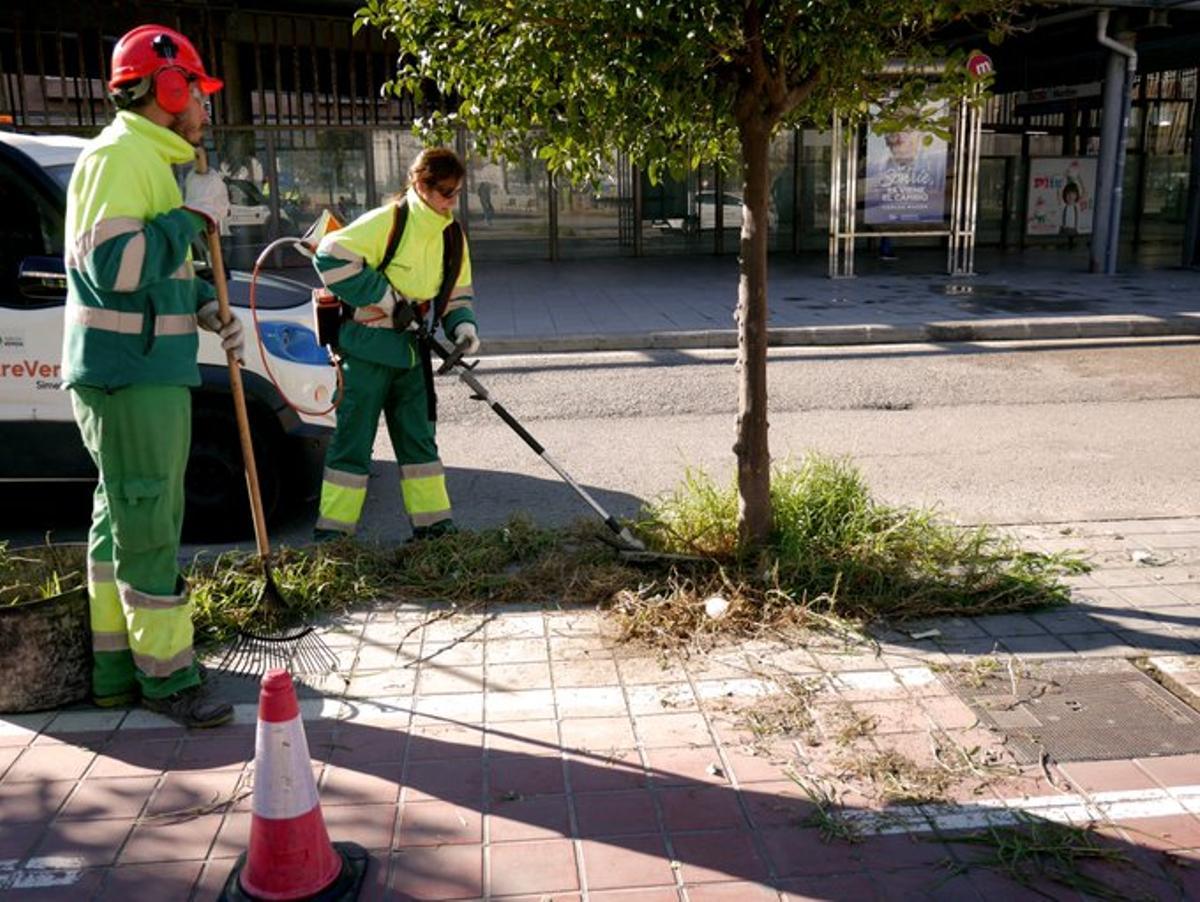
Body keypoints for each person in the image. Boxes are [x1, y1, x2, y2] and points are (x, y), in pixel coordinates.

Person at [63, 24, 242, 728]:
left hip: (135, 370)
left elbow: (152, 274)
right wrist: (190, 217)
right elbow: (115, 272)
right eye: (198, 91)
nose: (205, 106)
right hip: (130, 377)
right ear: (170, 88)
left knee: (121, 522)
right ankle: (168, 681)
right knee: (149, 525)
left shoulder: (146, 159)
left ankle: (117, 671)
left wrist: (204, 306)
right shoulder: (122, 156)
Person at [312, 147, 479, 541]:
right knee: (353, 442)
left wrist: (463, 327)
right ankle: (334, 538)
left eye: (457, 192)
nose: (452, 201)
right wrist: (386, 299)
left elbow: (457, 293)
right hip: (368, 349)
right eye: (445, 192)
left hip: (411, 353)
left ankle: (434, 529)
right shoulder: (388, 221)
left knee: (419, 441)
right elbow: (329, 255)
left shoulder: (451, 234)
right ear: (421, 185)